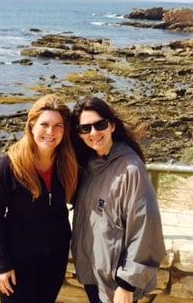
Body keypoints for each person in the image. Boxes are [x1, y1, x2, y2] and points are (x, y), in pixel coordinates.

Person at [71, 96, 165, 303]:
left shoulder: (130, 169)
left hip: (116, 283)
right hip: (92, 274)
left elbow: (146, 227)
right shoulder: (89, 165)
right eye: (85, 128)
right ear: (78, 134)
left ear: (112, 126)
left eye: (100, 125)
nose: (94, 133)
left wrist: (127, 283)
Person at [0, 94, 78, 303]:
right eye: (44, 124)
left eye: (58, 126)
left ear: (65, 131)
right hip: (18, 261)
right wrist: (2, 264)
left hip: (55, 258)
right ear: (31, 126)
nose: (50, 132)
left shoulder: (68, 161)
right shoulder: (11, 164)